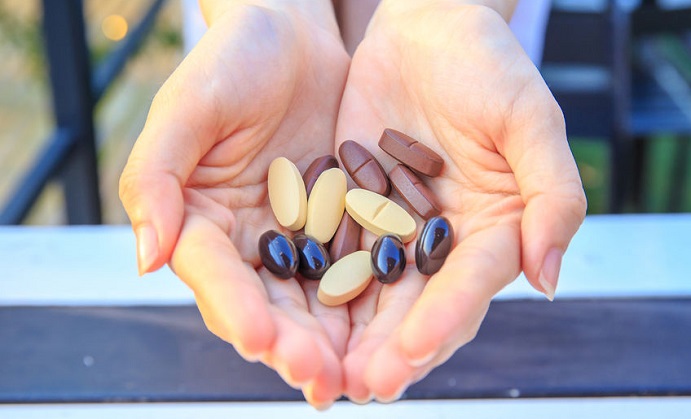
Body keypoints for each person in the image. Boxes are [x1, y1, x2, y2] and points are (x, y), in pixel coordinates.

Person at [119, 0, 587, 409]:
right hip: (259, 108)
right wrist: (275, 8)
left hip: (459, 117)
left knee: (438, 339)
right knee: (267, 344)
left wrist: (440, 8)